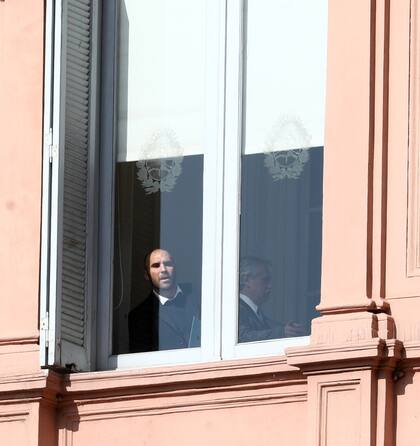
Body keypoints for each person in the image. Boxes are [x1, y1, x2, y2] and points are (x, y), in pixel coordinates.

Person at [128, 248, 200, 353]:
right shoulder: (139, 316)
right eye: (156, 265)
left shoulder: (199, 297)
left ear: (175, 268)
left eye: (168, 263)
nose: (163, 269)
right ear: (146, 274)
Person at [238, 256, 304, 343]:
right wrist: (282, 332)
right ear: (246, 280)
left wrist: (289, 330)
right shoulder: (235, 308)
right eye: (265, 280)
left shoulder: (258, 314)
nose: (270, 286)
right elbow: (242, 337)